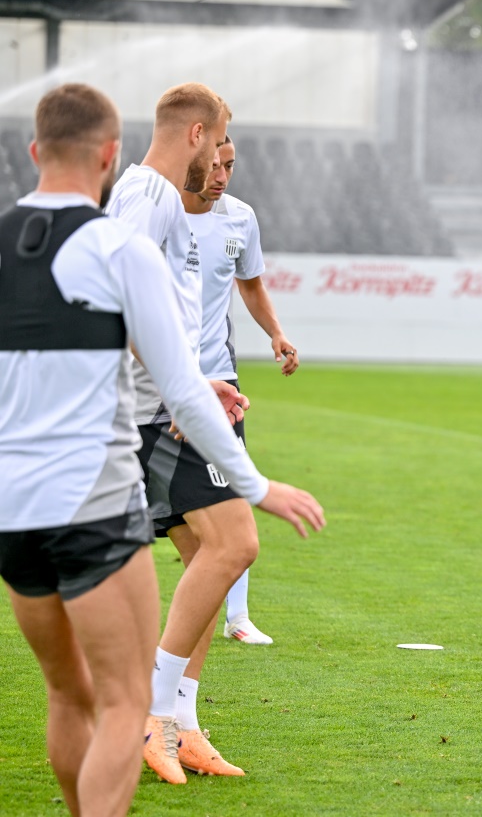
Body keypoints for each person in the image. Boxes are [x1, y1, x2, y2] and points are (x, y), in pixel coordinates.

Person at [0, 82, 324, 817]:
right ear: (110, 154)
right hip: (95, 493)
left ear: (32, 152)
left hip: (15, 505)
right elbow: (176, 385)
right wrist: (259, 483)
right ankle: (164, 721)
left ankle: (183, 722)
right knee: (121, 704)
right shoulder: (128, 234)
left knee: (68, 692)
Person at [104, 83, 260, 782]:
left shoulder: (156, 196)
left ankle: (183, 722)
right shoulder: (154, 195)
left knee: (207, 555)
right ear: (195, 133)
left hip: (169, 402)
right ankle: (154, 712)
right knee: (236, 544)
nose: (221, 164)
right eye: (218, 143)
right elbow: (119, 296)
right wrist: (183, 385)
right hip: (158, 412)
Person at [183, 135, 300, 648]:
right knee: (162, 513)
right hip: (158, 383)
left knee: (231, 490)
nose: (223, 175)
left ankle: (238, 615)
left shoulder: (240, 218)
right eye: (215, 164)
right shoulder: (160, 213)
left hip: (219, 382)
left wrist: (275, 332)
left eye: (230, 165)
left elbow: (250, 284)